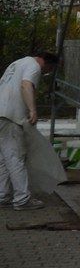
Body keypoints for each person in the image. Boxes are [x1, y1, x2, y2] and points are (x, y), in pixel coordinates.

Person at [0, 52, 59, 210]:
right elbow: (26, 85)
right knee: (15, 158)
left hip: (1, 114)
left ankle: (3, 195)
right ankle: (22, 199)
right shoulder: (34, 66)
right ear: (46, 63)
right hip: (10, 116)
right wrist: (32, 110)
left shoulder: (17, 63)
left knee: (4, 158)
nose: (47, 72)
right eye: (49, 69)